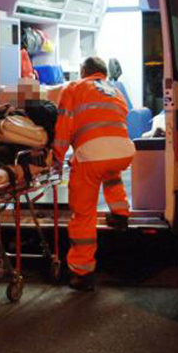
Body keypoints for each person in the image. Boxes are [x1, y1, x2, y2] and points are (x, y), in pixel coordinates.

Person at [52, 56, 136, 291]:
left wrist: (57, 158)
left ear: (83, 71)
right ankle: (120, 213)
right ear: (102, 74)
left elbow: (63, 128)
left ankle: (82, 272)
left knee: (83, 214)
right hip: (122, 152)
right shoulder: (115, 91)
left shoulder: (74, 88)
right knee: (110, 172)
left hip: (92, 156)